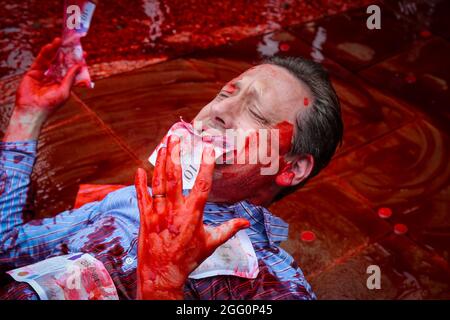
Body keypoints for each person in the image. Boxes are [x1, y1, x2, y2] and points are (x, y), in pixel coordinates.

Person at [0, 37, 343, 300]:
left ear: (291, 167)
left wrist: (162, 290)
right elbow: (8, 247)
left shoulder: (264, 280)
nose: (218, 111)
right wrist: (28, 116)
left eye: (256, 114)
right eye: (226, 93)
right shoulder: (130, 201)